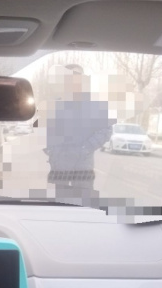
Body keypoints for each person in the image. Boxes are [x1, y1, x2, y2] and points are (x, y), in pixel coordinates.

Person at [44, 64, 113, 201]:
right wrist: (51, 150)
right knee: (59, 202)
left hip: (83, 164)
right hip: (60, 164)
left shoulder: (95, 104)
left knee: (84, 202)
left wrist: (86, 148)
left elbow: (106, 130)